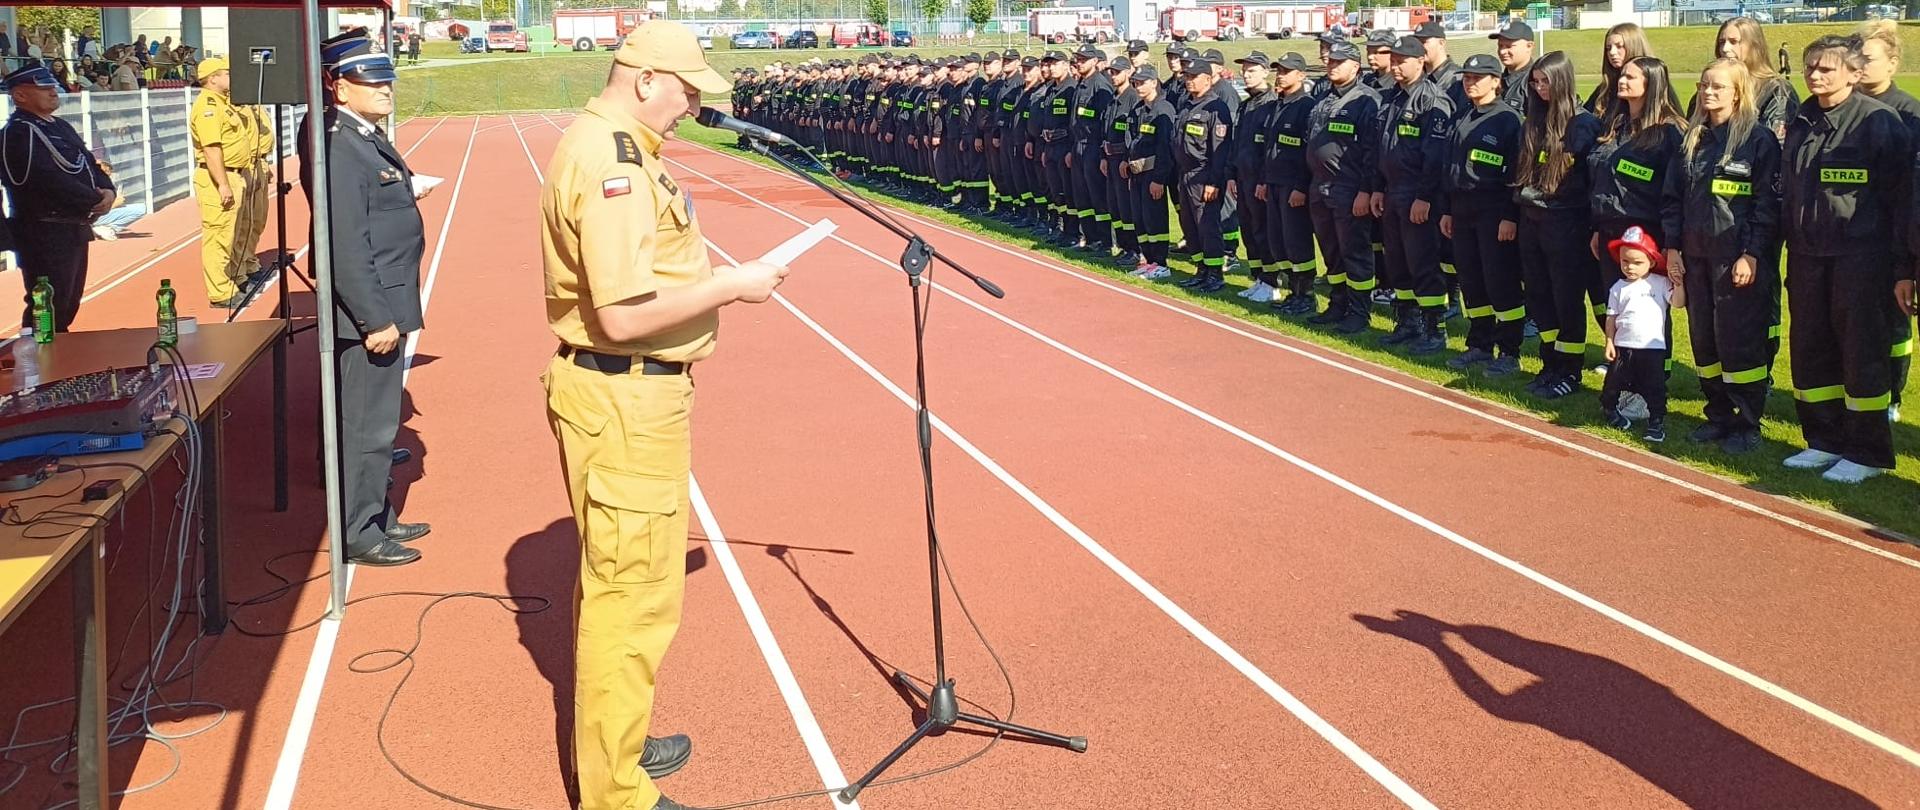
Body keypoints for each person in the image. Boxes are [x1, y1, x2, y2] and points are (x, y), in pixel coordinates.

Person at [539, 20, 787, 810]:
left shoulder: (621, 149)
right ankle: (617, 794)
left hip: (626, 396)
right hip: (625, 394)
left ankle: (618, 739)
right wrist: (731, 286)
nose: (690, 106)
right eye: (685, 90)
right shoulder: (613, 165)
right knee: (632, 600)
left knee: (625, 584)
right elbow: (620, 314)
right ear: (643, 79)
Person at [297, 29, 431, 565]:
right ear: (339, 87)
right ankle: (359, 531)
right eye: (368, 82)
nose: (384, 89)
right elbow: (346, 244)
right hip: (369, 310)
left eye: (386, 81)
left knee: (376, 422)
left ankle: (376, 513)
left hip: (386, 298)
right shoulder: (340, 144)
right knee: (367, 426)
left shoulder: (359, 133)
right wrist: (376, 318)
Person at [1780, 36, 1909, 483]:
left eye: (1827, 69)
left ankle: (1868, 451)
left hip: (1861, 258)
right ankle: (1823, 440)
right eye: (1810, 67)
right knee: (1811, 350)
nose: (1815, 75)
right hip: (1806, 256)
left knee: (1861, 354)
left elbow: (1901, 202)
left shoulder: (1878, 122)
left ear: (1854, 75)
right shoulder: (1802, 119)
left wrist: (1904, 269)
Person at [1662, 57, 1780, 454]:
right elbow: (1672, 200)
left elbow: (1767, 205)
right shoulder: (1692, 139)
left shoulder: (1757, 140)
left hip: (1736, 260)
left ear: (1738, 92)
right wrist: (1673, 248)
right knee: (1704, 342)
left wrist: (1752, 254)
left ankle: (1748, 422)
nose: (1709, 92)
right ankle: (1718, 415)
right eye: (1704, 85)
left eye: (1718, 86)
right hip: (1696, 257)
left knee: (1740, 343)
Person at [1515, 52, 1604, 400]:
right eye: (1535, 82)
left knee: (1566, 300)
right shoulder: (1534, 120)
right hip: (1532, 222)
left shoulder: (1583, 125)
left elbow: (1584, 182)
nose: (1540, 89)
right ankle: (1550, 364)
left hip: (1566, 226)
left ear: (1562, 80)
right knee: (1540, 297)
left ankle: (1570, 369)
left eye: (1545, 81)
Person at [0, 63, 113, 333]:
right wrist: (91, 199)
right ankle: (40, 363)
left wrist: (108, 190)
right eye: (43, 88)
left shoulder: (59, 126)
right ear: (20, 96)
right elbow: (43, 178)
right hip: (43, 229)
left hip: (71, 227)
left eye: (52, 86)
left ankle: (55, 356)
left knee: (67, 301)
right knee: (48, 302)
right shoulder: (18, 133)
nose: (53, 92)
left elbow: (87, 162)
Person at [1439, 53, 1525, 375]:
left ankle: (1510, 350)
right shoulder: (1464, 115)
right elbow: (1451, 167)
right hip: (1462, 211)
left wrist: (1509, 216)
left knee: (1500, 282)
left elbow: (1515, 174)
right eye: (1467, 77)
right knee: (1472, 281)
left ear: (1496, 82)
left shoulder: (1508, 120)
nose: (1470, 82)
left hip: (1493, 212)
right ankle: (1479, 344)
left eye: (1478, 78)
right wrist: (1448, 210)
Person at [1372, 35, 1454, 353]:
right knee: (1398, 262)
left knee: (1423, 262)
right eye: (1392, 60)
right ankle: (1408, 322)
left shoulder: (1433, 99)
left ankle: (1434, 328)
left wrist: (1424, 197)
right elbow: (1382, 148)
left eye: (1401, 60)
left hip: (1416, 195)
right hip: (1392, 192)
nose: (1394, 65)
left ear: (1420, 61)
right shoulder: (1393, 98)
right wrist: (1379, 188)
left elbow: (1434, 157)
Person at [1303, 38, 1381, 332]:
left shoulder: (1366, 100)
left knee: (1355, 251)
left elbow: (1372, 151)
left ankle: (1359, 311)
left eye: (1339, 62)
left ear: (1356, 66)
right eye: (1330, 61)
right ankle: (1338, 303)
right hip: (1320, 186)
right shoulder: (1325, 100)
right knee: (1331, 251)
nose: (1331, 66)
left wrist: (1365, 189)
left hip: (1349, 188)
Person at [1600, 226, 1684, 443]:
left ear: (1652, 262)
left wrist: (1678, 284)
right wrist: (1609, 341)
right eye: (1625, 261)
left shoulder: (1660, 283)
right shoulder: (1618, 288)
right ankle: (1610, 410)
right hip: (1623, 346)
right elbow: (1611, 317)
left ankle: (1656, 423)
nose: (1630, 267)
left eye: (1637, 262)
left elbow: (1678, 303)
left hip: (1652, 349)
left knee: (1655, 387)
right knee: (1613, 383)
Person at [189, 56, 259, 306]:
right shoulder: (208, 106)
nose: (231, 78)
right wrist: (223, 184)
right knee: (218, 236)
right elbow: (212, 148)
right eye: (226, 74)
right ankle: (220, 292)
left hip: (234, 172)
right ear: (213, 78)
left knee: (232, 233)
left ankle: (231, 279)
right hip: (219, 175)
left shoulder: (222, 103)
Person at [1585, 23, 1650, 115]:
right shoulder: (1604, 89)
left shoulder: (1653, 84)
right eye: (1608, 48)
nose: (1612, 52)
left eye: (1619, 46)